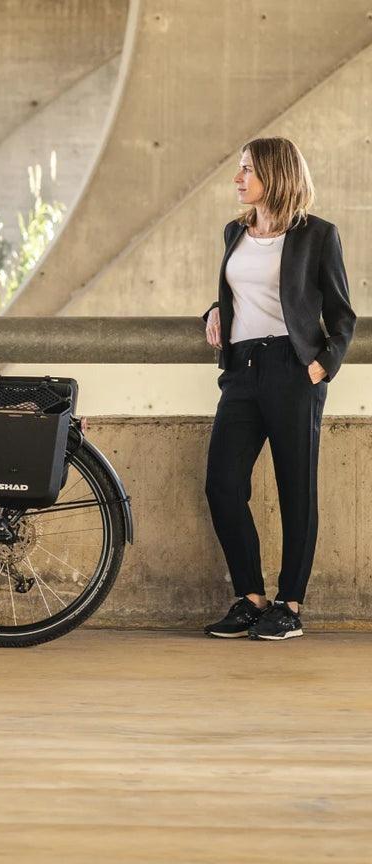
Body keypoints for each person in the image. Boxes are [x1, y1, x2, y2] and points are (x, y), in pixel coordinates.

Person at [201, 137, 355, 640]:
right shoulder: (235, 231)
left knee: (296, 490)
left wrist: (322, 366)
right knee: (222, 485)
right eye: (239, 168)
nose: (238, 178)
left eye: (246, 169)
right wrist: (215, 310)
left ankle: (289, 605)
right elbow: (237, 290)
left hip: (293, 371)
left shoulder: (318, 235)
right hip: (242, 372)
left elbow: (341, 315)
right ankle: (250, 598)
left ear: (275, 173)